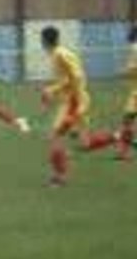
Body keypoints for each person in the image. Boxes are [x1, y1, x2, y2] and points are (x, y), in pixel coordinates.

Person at [39, 26, 118, 185]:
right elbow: (70, 78)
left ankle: (59, 177)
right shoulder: (58, 54)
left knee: (55, 137)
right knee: (85, 143)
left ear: (44, 40)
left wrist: (62, 93)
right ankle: (117, 136)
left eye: (41, 39)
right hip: (74, 101)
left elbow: (77, 75)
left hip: (74, 102)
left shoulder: (60, 54)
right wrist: (53, 90)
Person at [115, 25, 137, 161]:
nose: (127, 35)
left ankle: (123, 152)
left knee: (127, 120)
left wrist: (123, 72)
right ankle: (124, 152)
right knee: (128, 119)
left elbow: (134, 68)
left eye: (130, 33)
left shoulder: (135, 48)